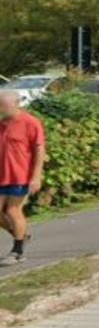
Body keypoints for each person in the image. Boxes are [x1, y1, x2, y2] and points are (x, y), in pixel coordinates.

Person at [0, 90, 46, 265]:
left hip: (20, 175)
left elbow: (39, 149)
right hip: (2, 175)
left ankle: (17, 251)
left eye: (4, 106)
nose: (2, 109)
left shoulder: (30, 122)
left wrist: (36, 176)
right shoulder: (2, 124)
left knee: (13, 211)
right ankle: (21, 235)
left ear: (16, 104)